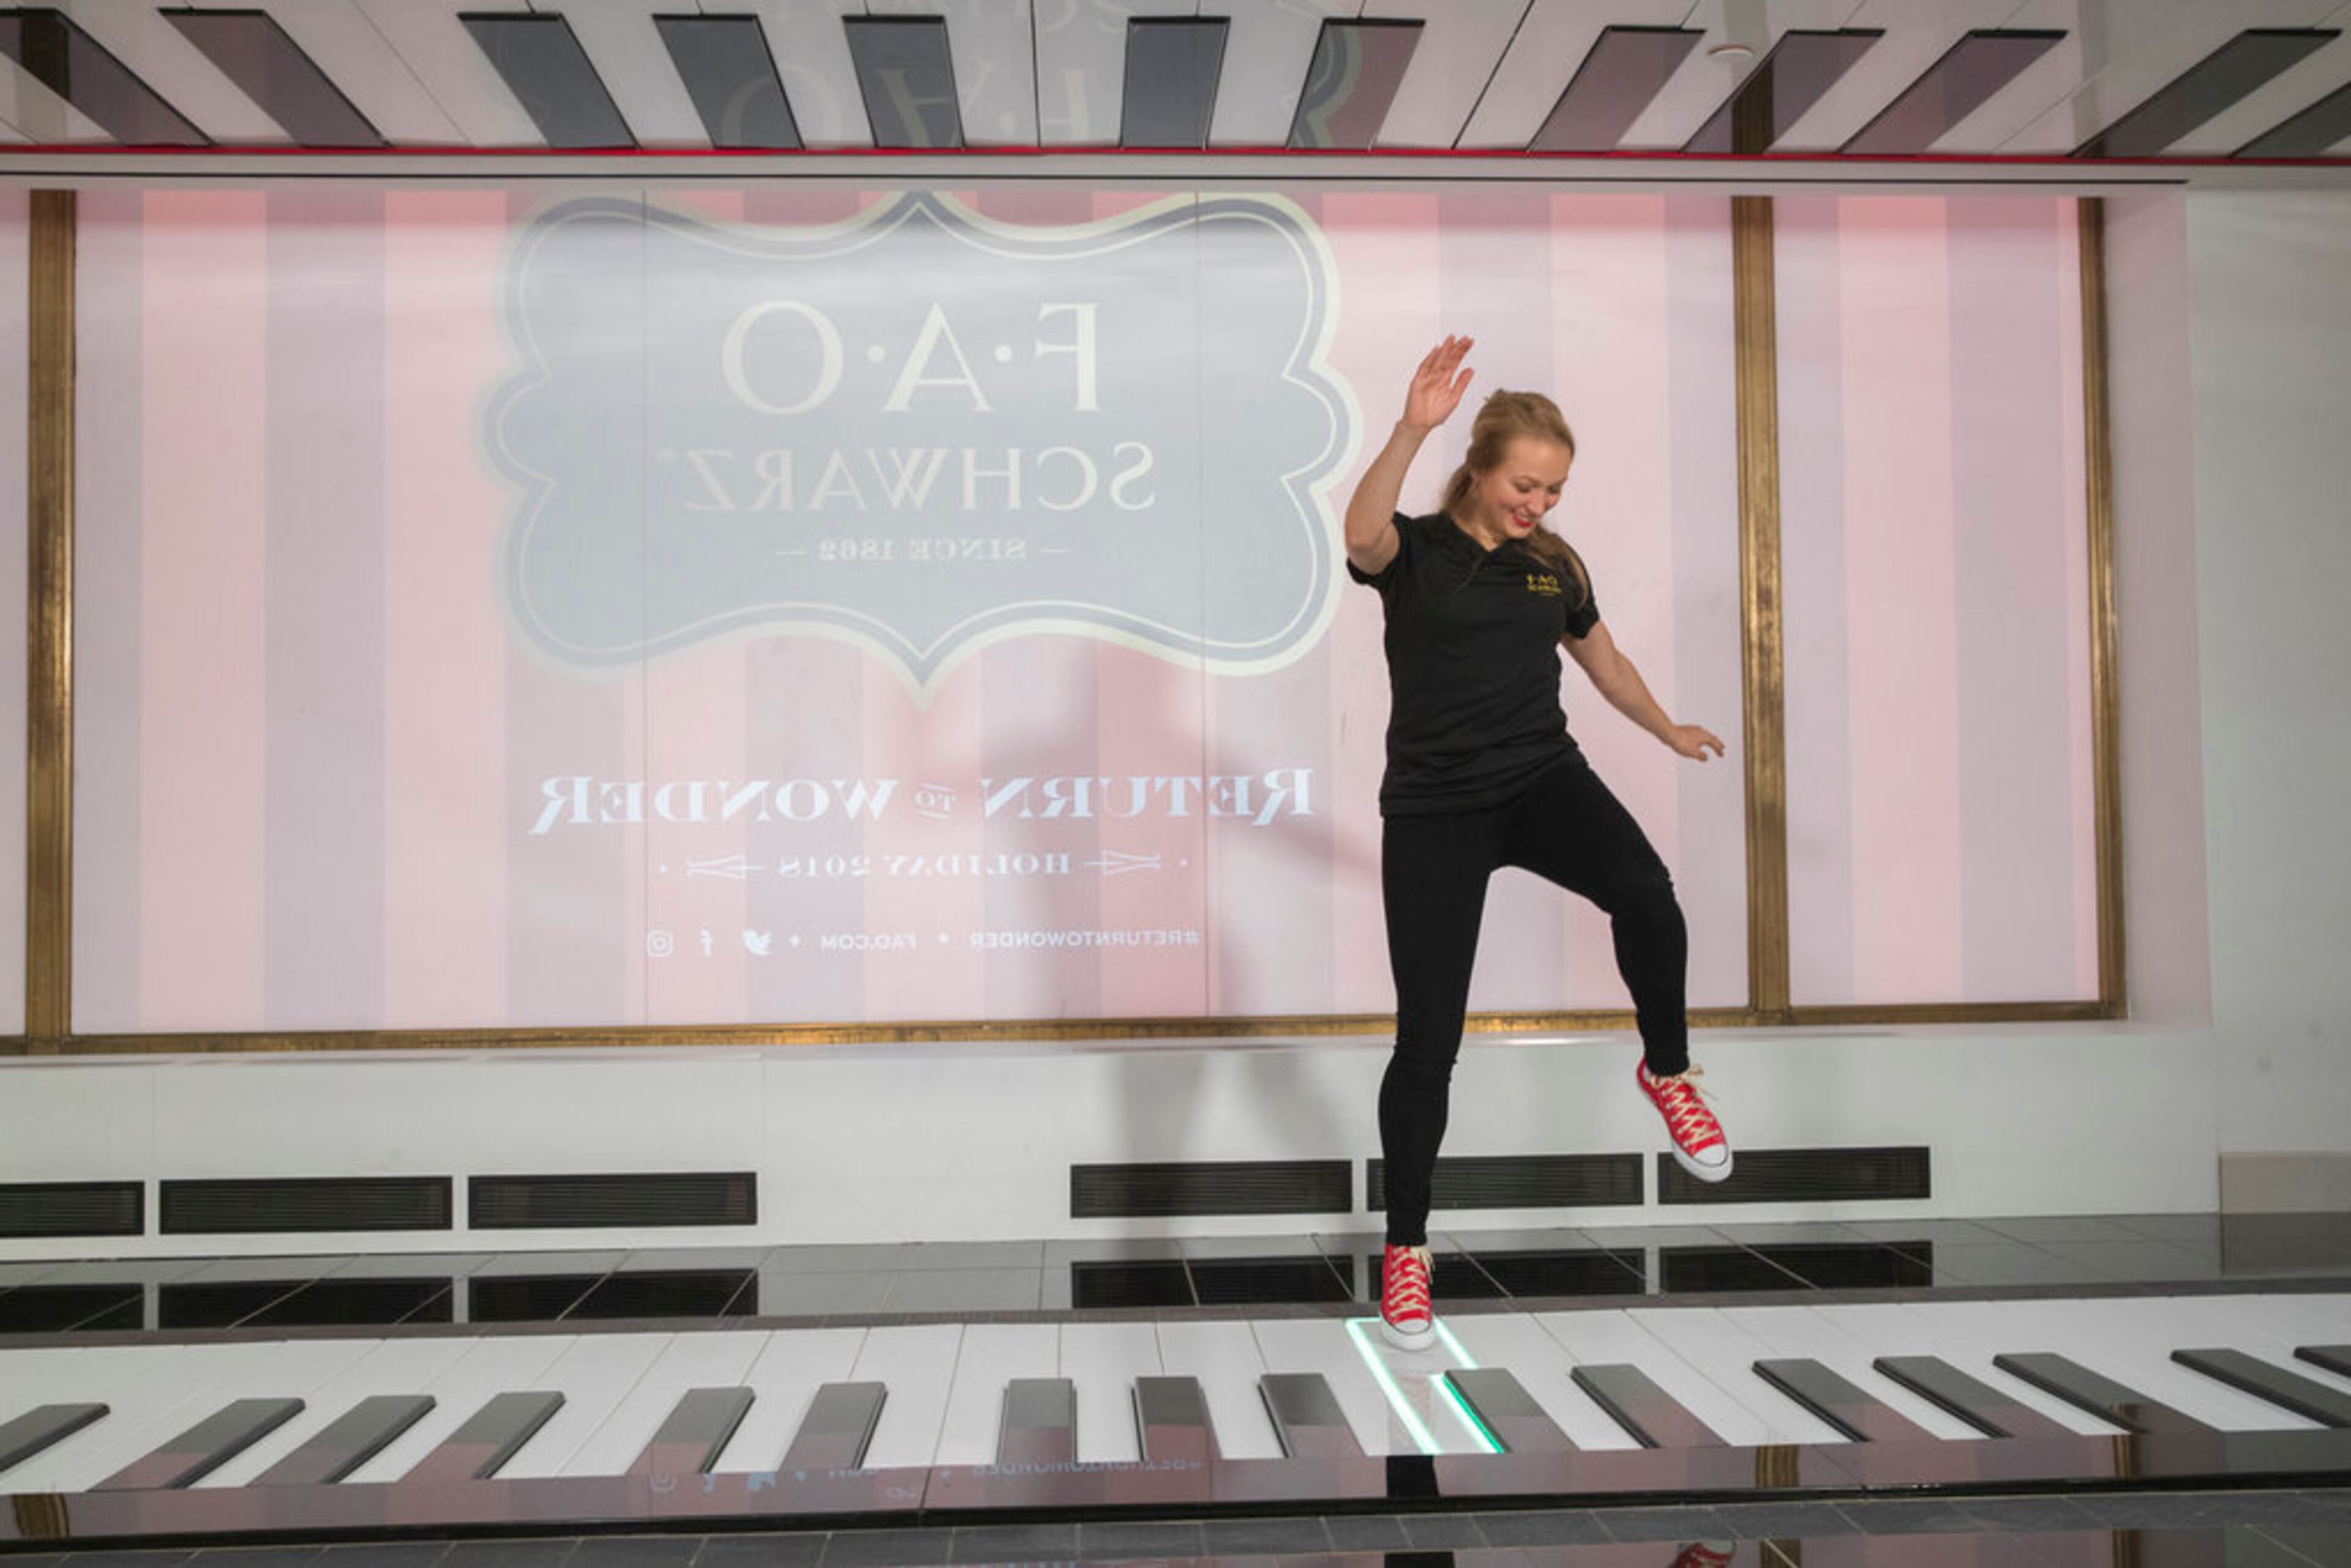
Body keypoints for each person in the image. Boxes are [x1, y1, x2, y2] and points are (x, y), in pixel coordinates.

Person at [1345, 335, 1731, 1351]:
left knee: (1647, 892)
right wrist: (1409, 428)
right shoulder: (1414, 554)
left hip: (1538, 780)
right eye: (1528, 485)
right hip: (1434, 810)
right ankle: (1408, 1254)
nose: (1540, 506)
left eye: (1555, 491)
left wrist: (1664, 728)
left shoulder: (1553, 564)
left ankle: (1670, 1072)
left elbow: (1603, 662)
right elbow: (1361, 528)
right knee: (1430, 1039)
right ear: (1479, 466)